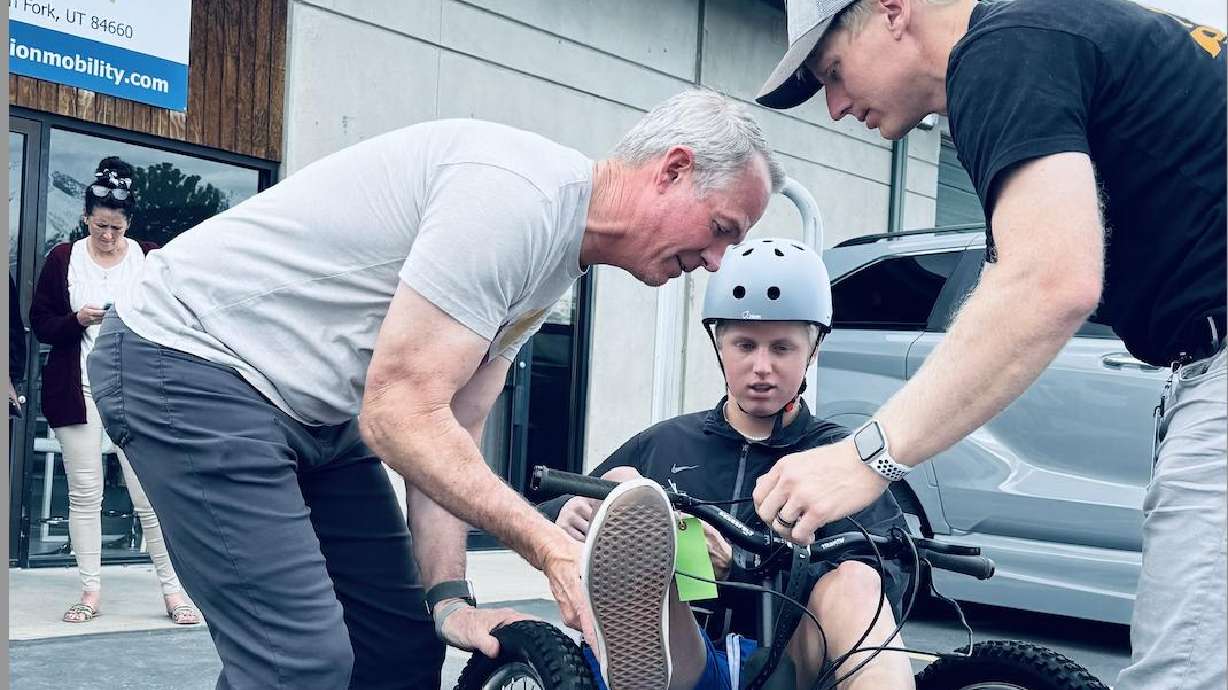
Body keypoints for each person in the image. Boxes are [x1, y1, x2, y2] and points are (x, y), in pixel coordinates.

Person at [86, 89, 784, 689]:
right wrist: (550, 547)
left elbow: (446, 430)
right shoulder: (517, 199)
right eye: (722, 229)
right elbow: (398, 415)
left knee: (399, 646)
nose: (717, 261)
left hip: (315, 411)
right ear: (673, 169)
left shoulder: (554, 262)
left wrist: (450, 598)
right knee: (300, 662)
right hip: (185, 362)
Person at [751, 1, 1226, 689]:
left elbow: (1048, 282)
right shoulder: (1055, 31)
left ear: (891, 11)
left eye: (833, 70)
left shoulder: (1002, 47)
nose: (834, 105)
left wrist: (867, 456)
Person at [544, 239, 913, 690]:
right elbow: (545, 507)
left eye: (782, 348)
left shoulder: (836, 456)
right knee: (622, 485)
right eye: (744, 345)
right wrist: (569, 510)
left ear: (812, 350)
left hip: (784, 664)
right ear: (718, 345)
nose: (761, 367)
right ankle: (633, 657)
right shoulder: (667, 441)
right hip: (688, 653)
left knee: (856, 577)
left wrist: (740, 568)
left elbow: (893, 577)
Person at [29, 156, 200, 626]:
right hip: (77, 389)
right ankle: (90, 591)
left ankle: (174, 592)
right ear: (86, 217)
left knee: (150, 496)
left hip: (135, 393)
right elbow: (41, 322)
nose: (108, 236)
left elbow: (174, 319)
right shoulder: (63, 259)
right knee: (85, 495)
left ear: (129, 225)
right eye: (101, 225)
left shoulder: (147, 258)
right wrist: (76, 320)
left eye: (117, 228)